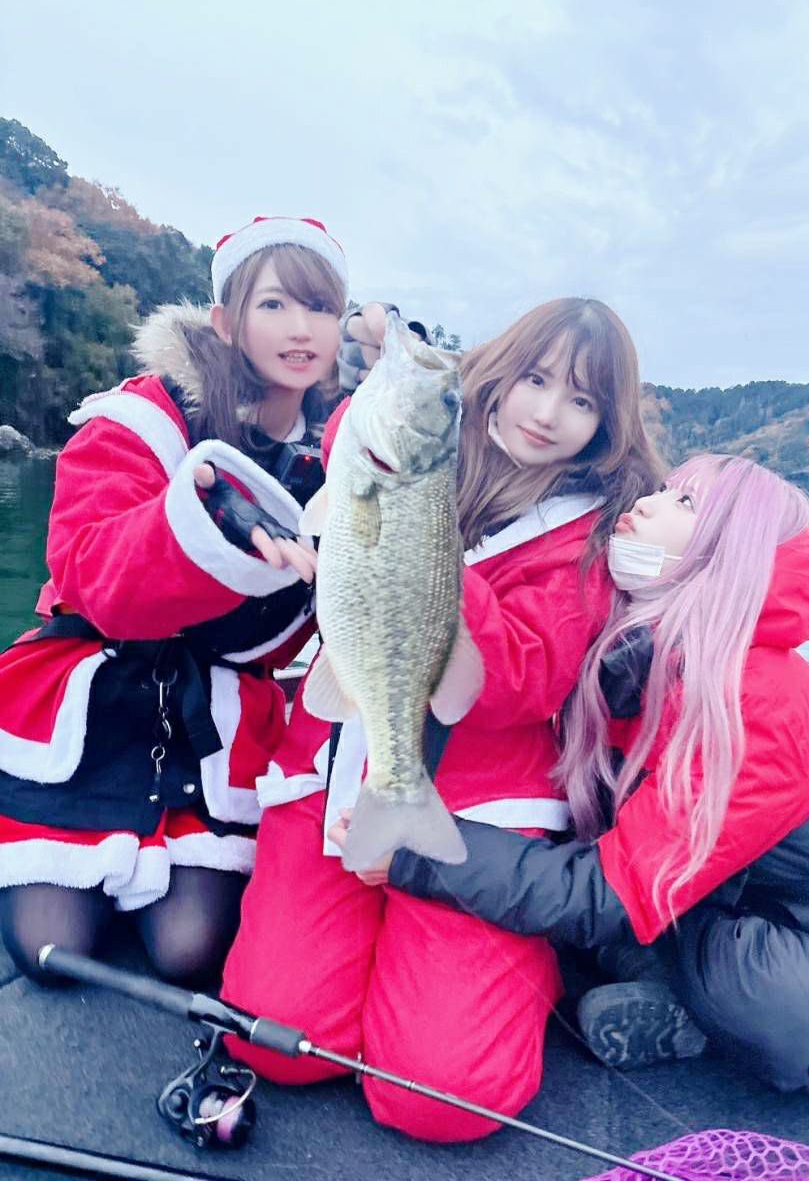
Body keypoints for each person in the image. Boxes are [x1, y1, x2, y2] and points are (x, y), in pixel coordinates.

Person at [221, 297, 665, 1141]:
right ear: (497, 375)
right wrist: (387, 360)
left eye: (580, 400)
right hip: (335, 776)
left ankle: (495, 969)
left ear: (608, 424)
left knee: (442, 1097)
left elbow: (522, 680)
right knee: (278, 1043)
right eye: (535, 379)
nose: (547, 412)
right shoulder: (414, 440)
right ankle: (369, 953)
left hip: (475, 820)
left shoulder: (594, 538)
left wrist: (425, 560)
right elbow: (362, 433)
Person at [371, 454, 809, 1095]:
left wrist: (421, 852)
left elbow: (614, 890)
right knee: (634, 925)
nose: (645, 503)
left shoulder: (764, 706)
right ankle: (660, 979)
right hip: (739, 891)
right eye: (664, 490)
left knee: (752, 984)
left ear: (730, 552)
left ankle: (677, 990)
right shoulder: (638, 650)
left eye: (686, 503)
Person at [0, 216, 349, 987]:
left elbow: (293, 639)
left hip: (214, 720)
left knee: (190, 949)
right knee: (51, 950)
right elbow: (85, 571)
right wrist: (199, 526)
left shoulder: (341, 456)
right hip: (94, 687)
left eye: (321, 308)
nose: (300, 329)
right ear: (225, 321)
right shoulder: (141, 418)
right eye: (274, 305)